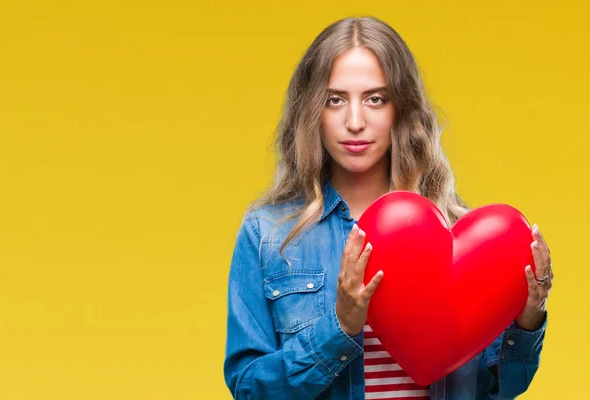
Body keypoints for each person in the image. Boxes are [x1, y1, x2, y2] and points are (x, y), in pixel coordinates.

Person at [223, 16, 552, 400]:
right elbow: (250, 389)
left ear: (402, 109)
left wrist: (528, 320)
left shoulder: (458, 236)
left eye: (375, 99)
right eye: (335, 99)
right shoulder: (268, 234)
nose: (355, 121)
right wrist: (340, 327)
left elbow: (496, 389)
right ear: (311, 110)